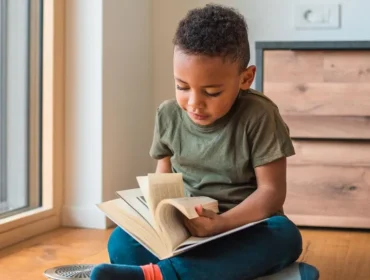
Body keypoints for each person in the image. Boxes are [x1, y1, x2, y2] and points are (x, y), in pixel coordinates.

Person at [91, 4, 319, 280]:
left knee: (285, 237)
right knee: (120, 241)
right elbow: (162, 180)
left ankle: (159, 275)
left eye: (211, 92)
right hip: (187, 232)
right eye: (182, 87)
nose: (194, 103)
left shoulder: (259, 115)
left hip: (242, 227)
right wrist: (159, 221)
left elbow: (271, 193)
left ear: (245, 78)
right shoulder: (168, 115)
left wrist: (222, 224)